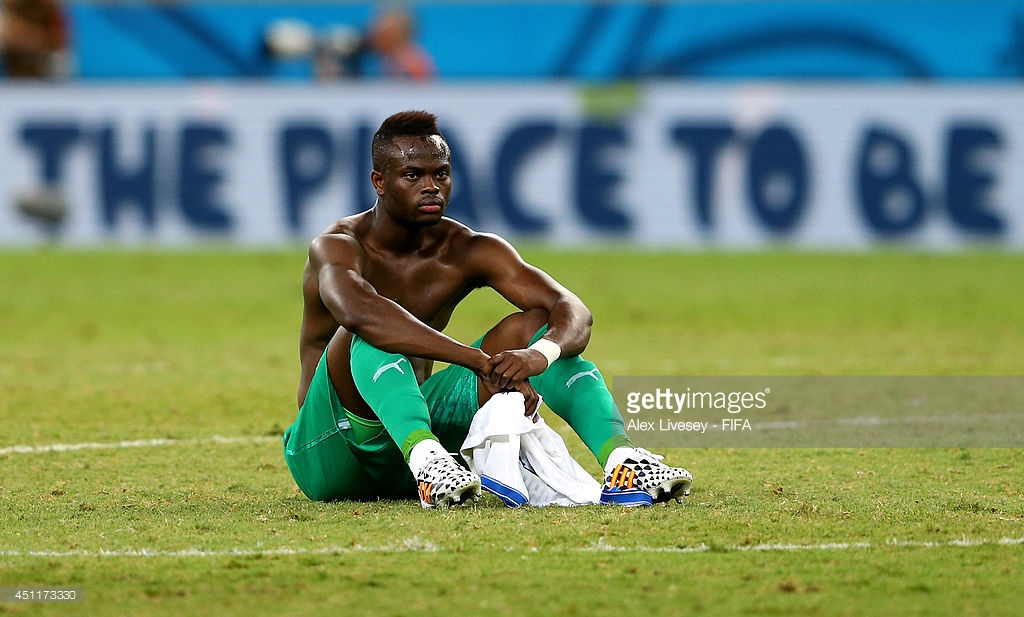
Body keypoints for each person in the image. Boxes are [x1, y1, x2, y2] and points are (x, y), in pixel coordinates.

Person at [282, 111, 692, 508]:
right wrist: (478, 360)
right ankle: (425, 456)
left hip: (417, 447)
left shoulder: (467, 249)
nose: (431, 187)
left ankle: (623, 461)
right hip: (330, 449)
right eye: (412, 176)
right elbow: (362, 315)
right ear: (379, 182)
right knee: (368, 330)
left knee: (536, 324)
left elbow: (572, 310)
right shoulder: (336, 246)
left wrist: (539, 354)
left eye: (441, 173)